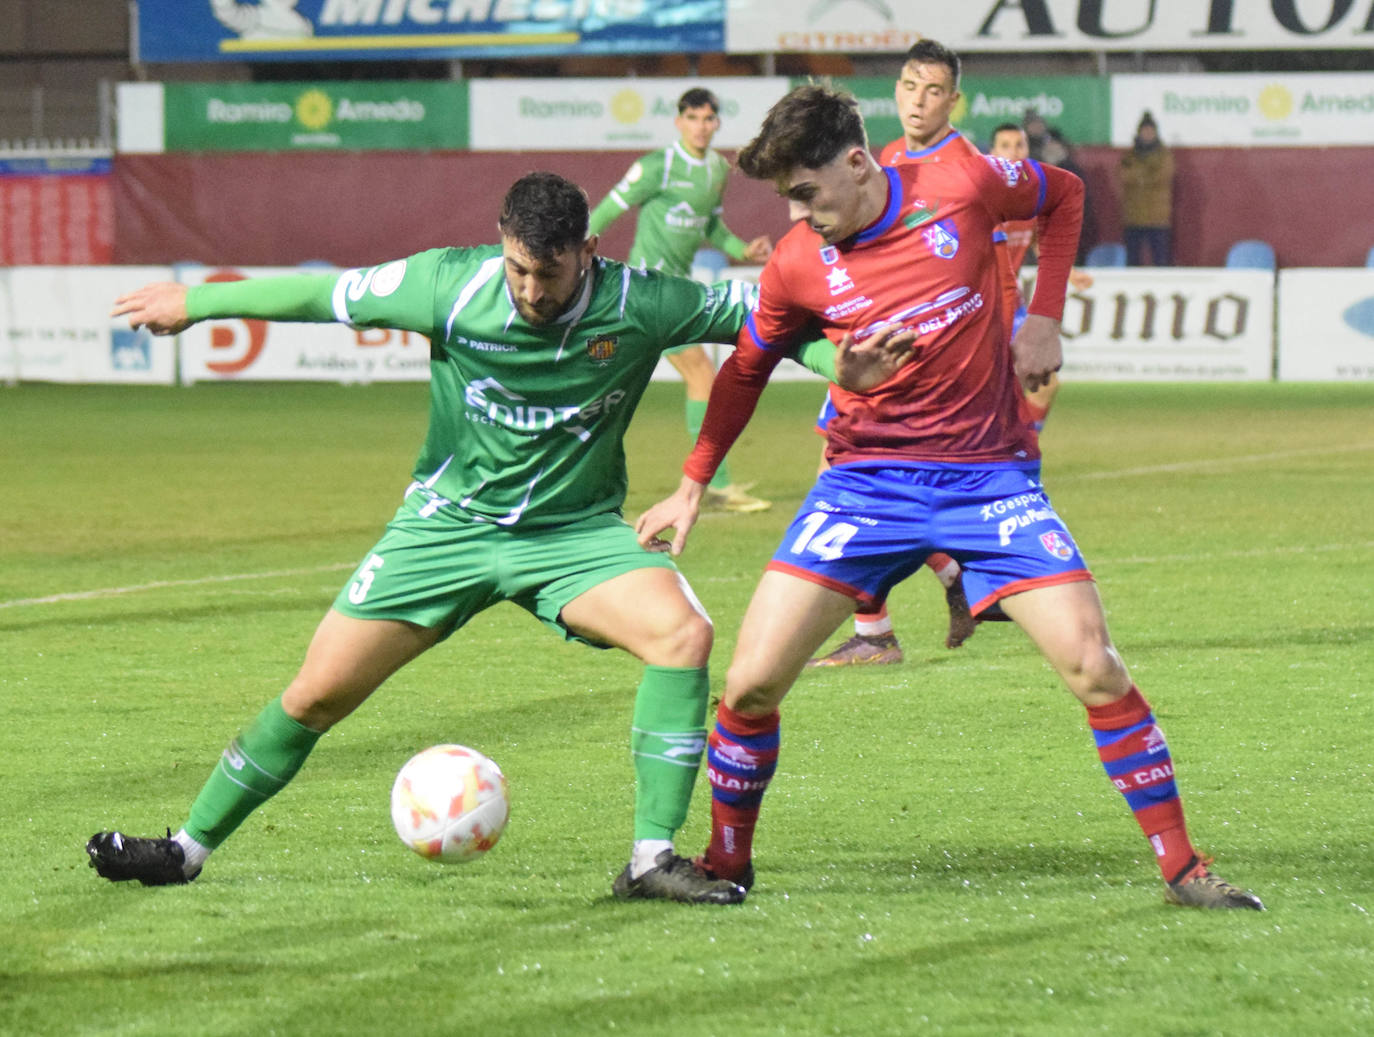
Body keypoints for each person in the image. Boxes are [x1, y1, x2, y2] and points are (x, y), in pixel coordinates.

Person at [84, 171, 831, 906]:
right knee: (315, 693)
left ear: (589, 250)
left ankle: (650, 856)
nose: (532, 290)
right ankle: (185, 850)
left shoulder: (643, 302)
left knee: (683, 635)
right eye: (518, 269)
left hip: (572, 536)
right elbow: (321, 294)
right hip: (444, 532)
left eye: (550, 271)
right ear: (499, 246)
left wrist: (846, 365)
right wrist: (199, 302)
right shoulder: (448, 284)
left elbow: (776, 321)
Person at [636, 83, 1262, 912]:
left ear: (858, 164)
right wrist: (692, 483)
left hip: (987, 479)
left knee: (1094, 665)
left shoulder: (965, 184)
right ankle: (726, 861)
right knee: (749, 684)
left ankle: (1184, 865)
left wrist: (1044, 315)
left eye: (807, 192)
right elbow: (746, 369)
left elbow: (1066, 195)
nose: (799, 212)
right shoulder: (796, 263)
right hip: (864, 484)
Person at [590, 87, 774, 515]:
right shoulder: (659, 166)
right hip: (646, 292)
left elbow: (711, 227)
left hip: (674, 294)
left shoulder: (715, 170)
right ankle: (716, 485)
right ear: (678, 122)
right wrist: (576, 253)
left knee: (613, 379)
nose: (701, 126)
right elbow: (606, 211)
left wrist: (743, 249)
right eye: (693, 118)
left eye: (709, 119)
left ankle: (714, 484)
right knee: (701, 378)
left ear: (717, 124)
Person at [1119, 111, 1175, 266]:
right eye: (1145, 130)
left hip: (1158, 217)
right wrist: (1148, 174)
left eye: (1151, 131)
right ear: (1139, 132)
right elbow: (1123, 176)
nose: (1147, 134)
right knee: (1132, 261)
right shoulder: (1129, 156)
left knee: (1160, 261)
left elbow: (1163, 177)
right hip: (1133, 216)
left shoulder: (1165, 156)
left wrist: (1138, 177)